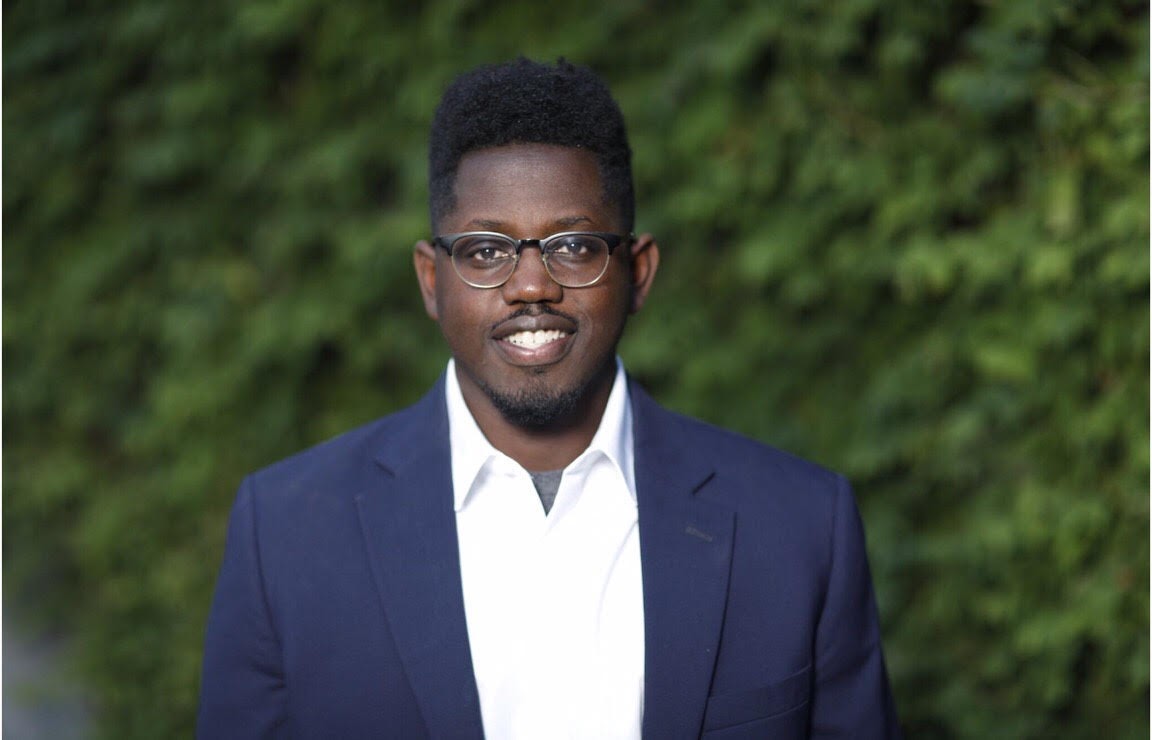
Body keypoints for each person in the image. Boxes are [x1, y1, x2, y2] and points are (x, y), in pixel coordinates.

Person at [197, 58, 901, 739]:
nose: (531, 285)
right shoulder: (285, 535)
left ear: (637, 272)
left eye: (573, 246)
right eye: (485, 251)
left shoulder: (801, 527)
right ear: (431, 280)